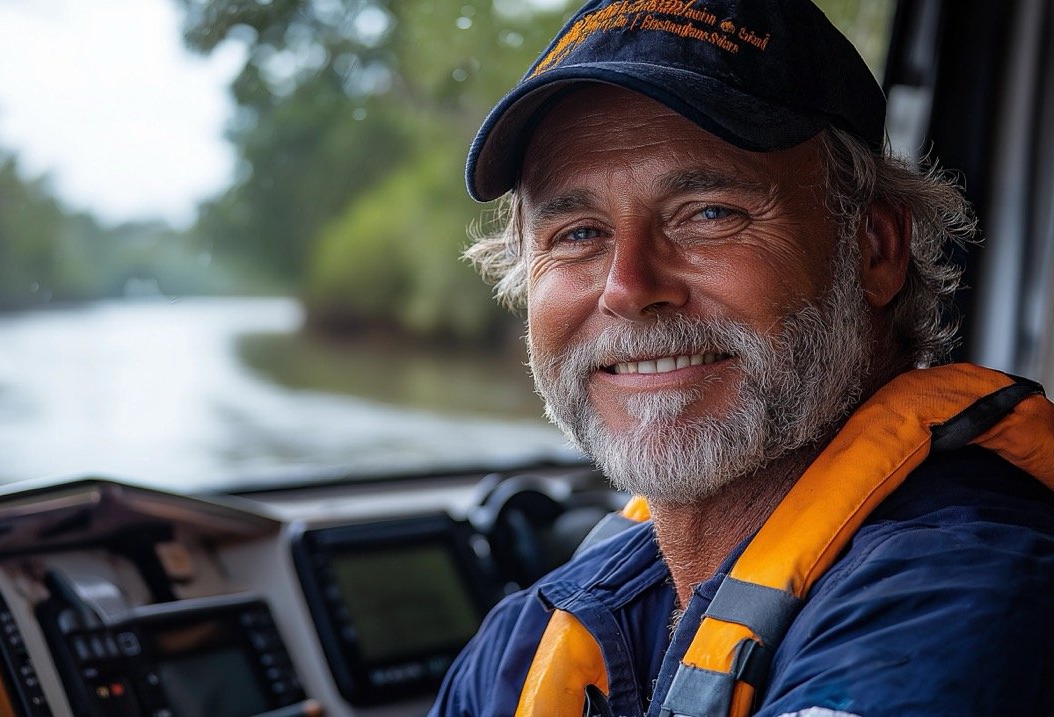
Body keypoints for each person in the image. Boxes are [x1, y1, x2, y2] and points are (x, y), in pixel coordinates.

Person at [430, 1, 1054, 715]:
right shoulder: (527, 638)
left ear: (875, 249)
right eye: (578, 232)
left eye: (710, 213)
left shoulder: (963, 597)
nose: (630, 288)